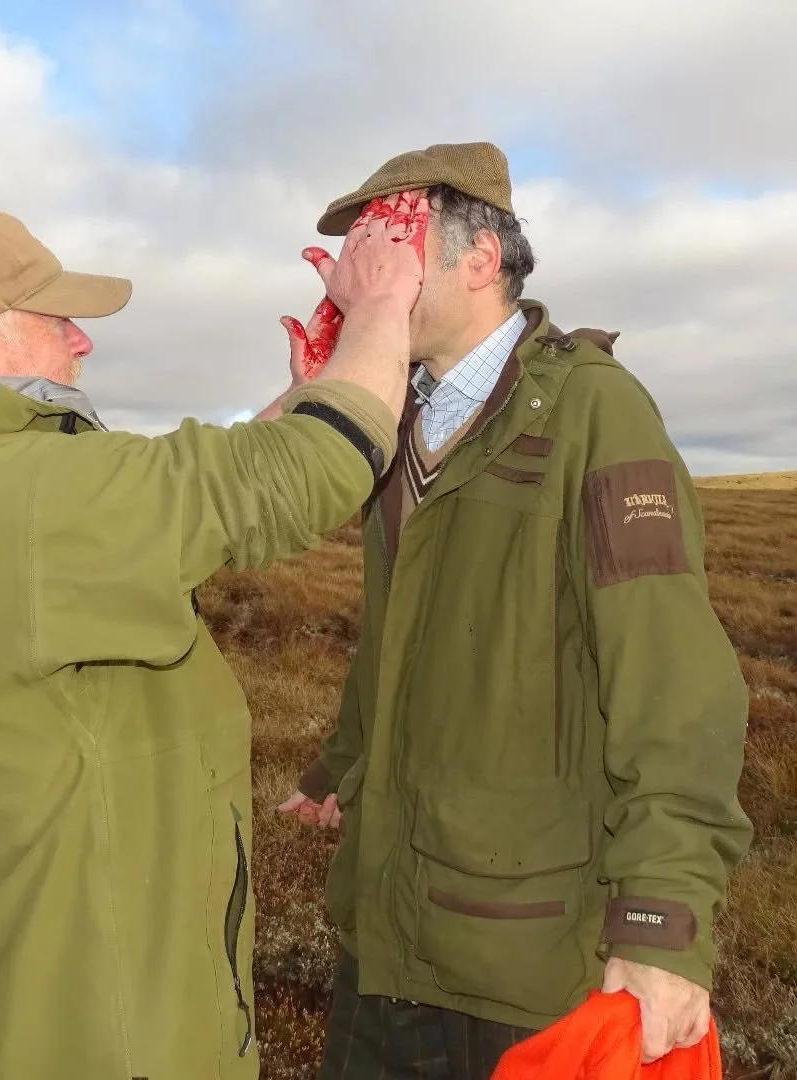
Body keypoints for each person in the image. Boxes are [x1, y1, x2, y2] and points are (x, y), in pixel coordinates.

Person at [0, 193, 429, 1080]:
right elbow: (305, 474)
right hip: (98, 1030)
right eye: (56, 321)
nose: (81, 342)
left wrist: (312, 387)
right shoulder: (20, 500)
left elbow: (160, 511)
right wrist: (382, 307)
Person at [277, 142, 753, 1080]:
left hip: (519, 962)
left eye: (386, 249)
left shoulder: (592, 411)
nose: (353, 277)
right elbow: (401, 633)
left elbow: (673, 683)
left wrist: (660, 923)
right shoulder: (395, 418)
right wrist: (341, 766)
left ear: (478, 261)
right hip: (383, 932)